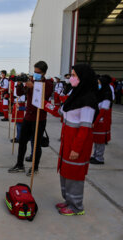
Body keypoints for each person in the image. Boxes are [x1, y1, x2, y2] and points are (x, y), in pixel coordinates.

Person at [50, 64, 98, 216]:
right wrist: (43, 105)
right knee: (66, 172)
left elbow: (84, 129)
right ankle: (68, 200)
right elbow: (61, 112)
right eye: (71, 74)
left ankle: (76, 206)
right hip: (67, 142)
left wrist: (76, 149)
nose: (71, 78)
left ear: (83, 78)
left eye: (74, 75)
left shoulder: (88, 101)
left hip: (77, 145)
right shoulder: (74, 95)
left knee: (75, 175)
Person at [8, 61, 53, 176]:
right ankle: (19, 164)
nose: (36, 74)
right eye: (35, 72)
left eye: (38, 72)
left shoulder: (47, 83)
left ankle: (35, 167)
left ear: (44, 73)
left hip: (39, 117)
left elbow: (44, 97)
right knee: (22, 141)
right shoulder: (31, 81)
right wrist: (19, 83)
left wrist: (33, 87)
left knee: (36, 144)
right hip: (28, 116)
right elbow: (19, 93)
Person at [90, 75, 113, 165]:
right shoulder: (100, 94)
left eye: (99, 83)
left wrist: (95, 121)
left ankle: (99, 158)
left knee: (100, 141)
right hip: (98, 120)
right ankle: (95, 155)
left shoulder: (107, 95)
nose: (98, 85)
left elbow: (103, 111)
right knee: (96, 139)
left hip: (102, 121)